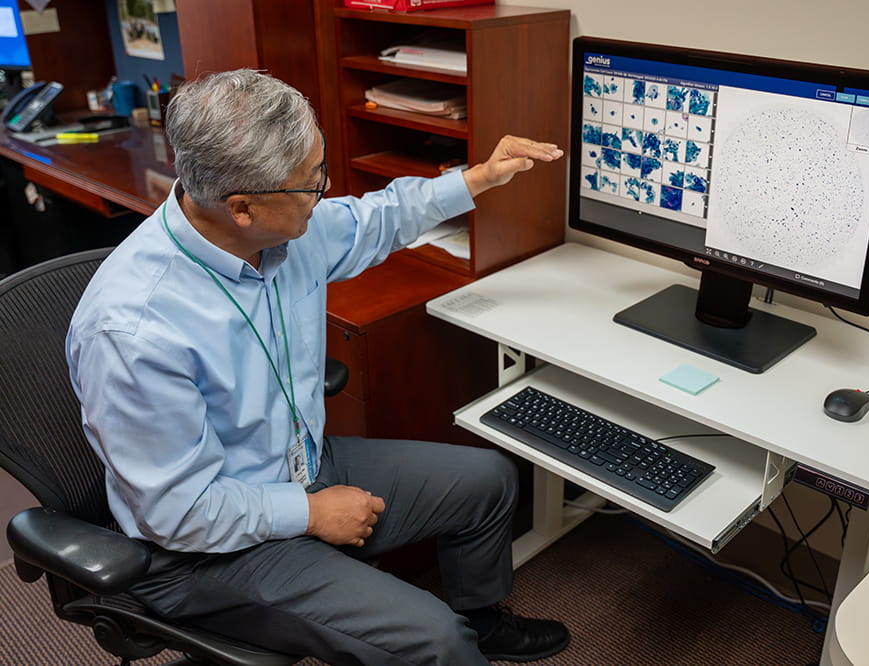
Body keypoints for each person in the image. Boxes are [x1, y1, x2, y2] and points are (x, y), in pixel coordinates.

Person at [67, 69, 568, 665]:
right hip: (202, 548)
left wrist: (479, 178)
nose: (324, 195)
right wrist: (309, 514)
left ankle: (483, 621)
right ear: (243, 207)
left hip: (298, 464)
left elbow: (375, 218)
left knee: (488, 479)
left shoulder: (276, 229)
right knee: (435, 642)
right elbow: (177, 512)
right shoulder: (132, 330)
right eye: (313, 184)